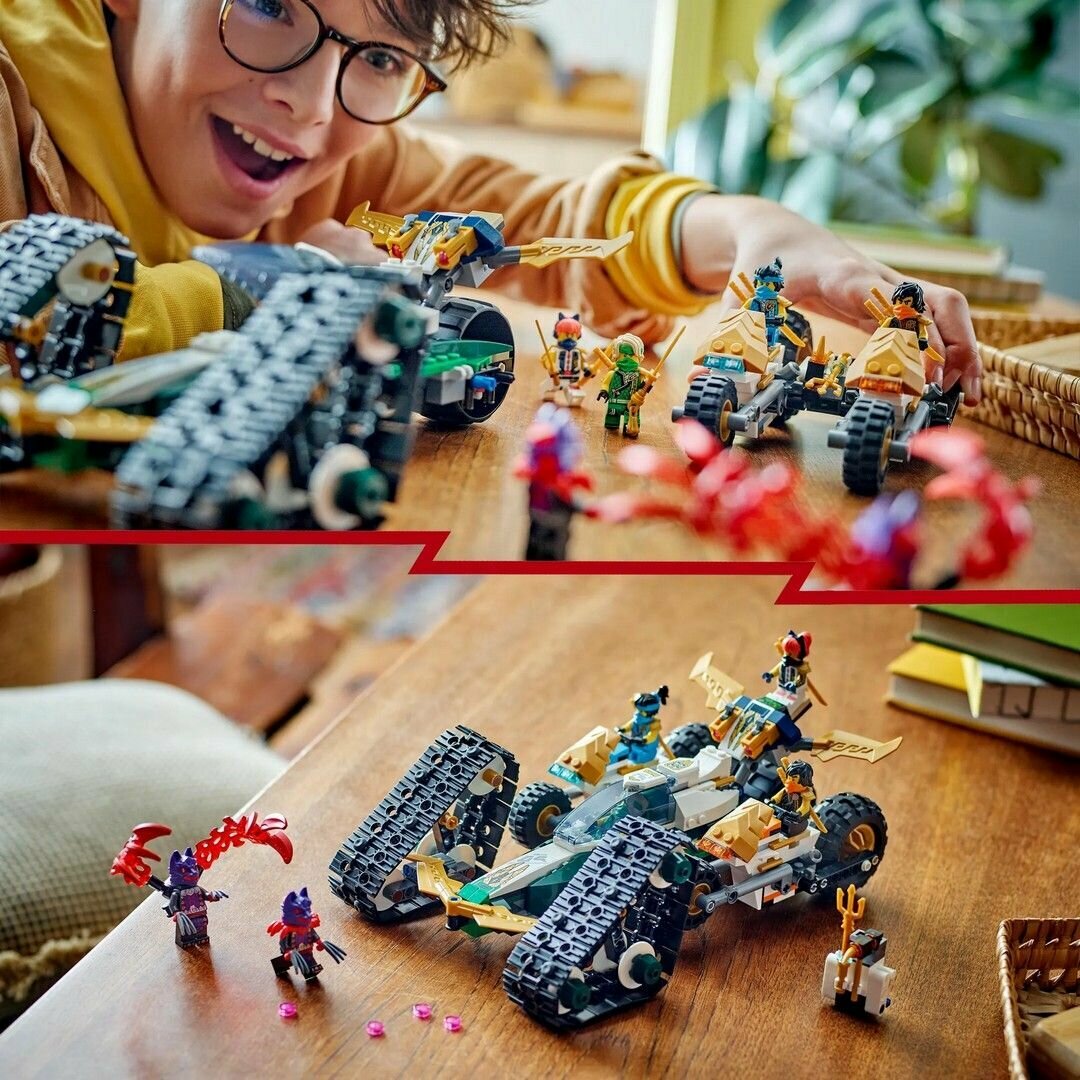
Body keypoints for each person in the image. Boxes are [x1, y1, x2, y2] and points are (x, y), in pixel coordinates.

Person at [0, 0, 980, 403]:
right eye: (266, 5)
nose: (310, 104)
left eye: (380, 59)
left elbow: (537, 222)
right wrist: (284, 291)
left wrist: (747, 231)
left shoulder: (333, 159)